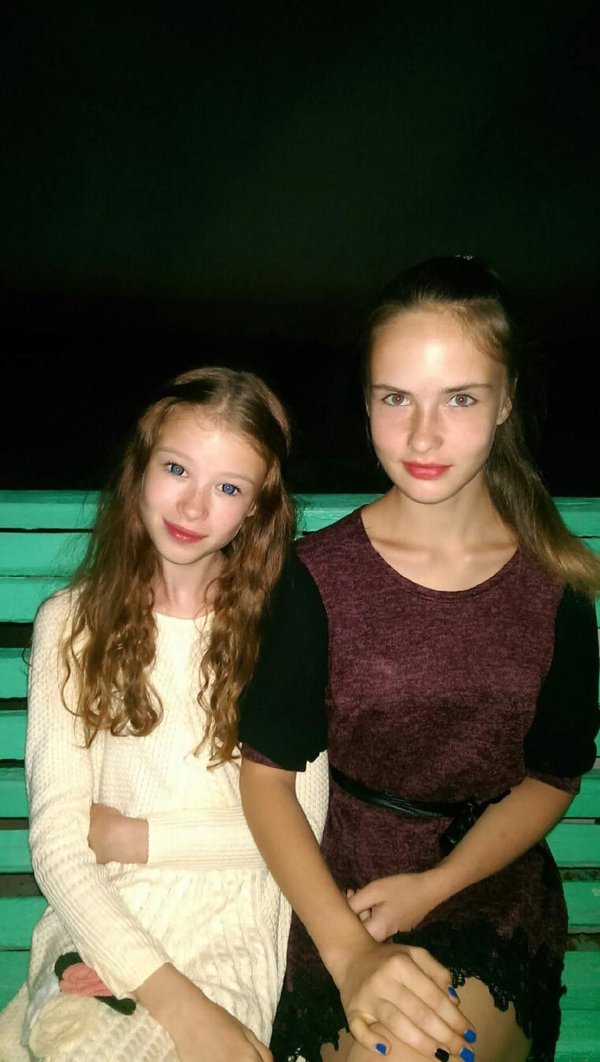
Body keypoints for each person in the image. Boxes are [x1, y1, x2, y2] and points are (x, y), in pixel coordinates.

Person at [239, 257, 600, 1062]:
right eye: (395, 398)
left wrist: (434, 888)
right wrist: (348, 952)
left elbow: (552, 777)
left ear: (505, 401)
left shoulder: (557, 585)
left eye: (460, 398)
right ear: (367, 401)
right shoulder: (316, 578)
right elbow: (265, 781)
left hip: (485, 891)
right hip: (338, 900)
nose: (422, 435)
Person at [0, 366, 329, 1062]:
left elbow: (301, 832)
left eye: (228, 488)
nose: (193, 505)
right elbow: (60, 844)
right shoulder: (71, 624)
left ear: (256, 509)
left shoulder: (281, 625)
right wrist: (171, 997)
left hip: (233, 916)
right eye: (177, 469)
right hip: (101, 913)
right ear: (141, 469)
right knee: (83, 1046)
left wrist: (134, 837)